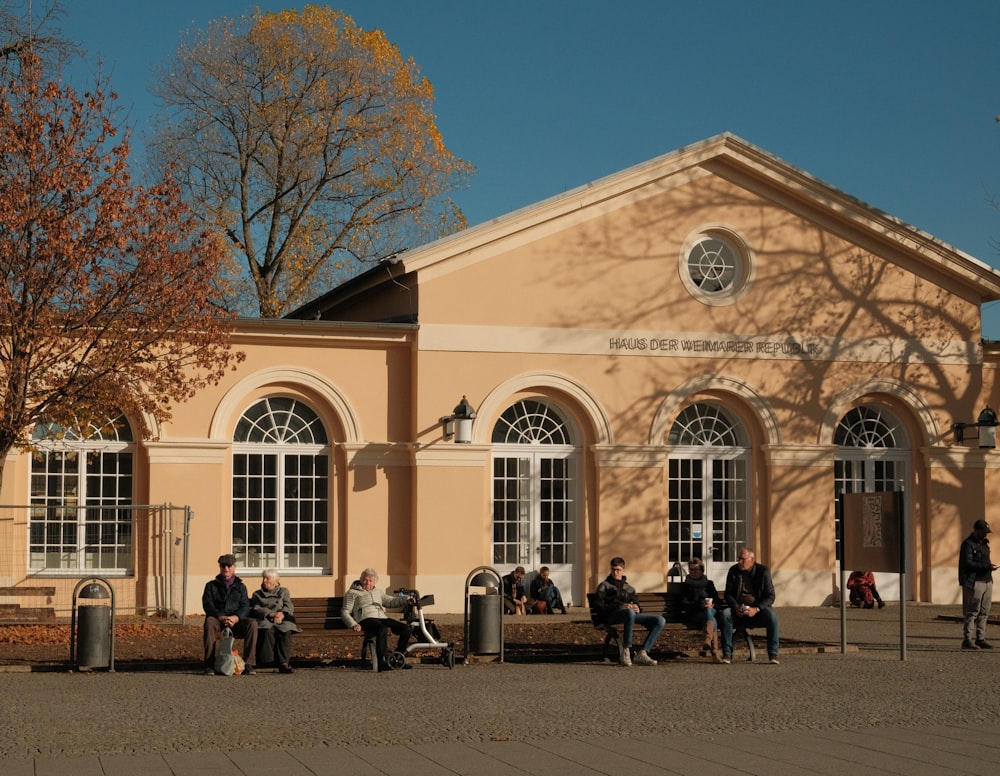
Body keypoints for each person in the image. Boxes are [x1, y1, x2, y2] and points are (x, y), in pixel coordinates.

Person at [594, 556, 665, 666]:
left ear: (623, 570)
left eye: (618, 570)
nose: (615, 572)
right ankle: (626, 650)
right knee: (629, 612)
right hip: (611, 616)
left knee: (660, 620)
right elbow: (599, 606)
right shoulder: (604, 586)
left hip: (630, 615)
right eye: (613, 569)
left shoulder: (629, 588)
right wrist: (619, 606)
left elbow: (636, 605)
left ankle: (643, 652)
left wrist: (637, 607)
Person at [341, 568, 412, 671]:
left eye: (370, 581)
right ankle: (381, 661)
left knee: (406, 629)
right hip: (365, 618)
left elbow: (390, 601)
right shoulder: (352, 593)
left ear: (375, 582)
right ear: (361, 579)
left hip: (381, 617)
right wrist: (353, 624)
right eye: (365, 580)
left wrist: (406, 599)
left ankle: (397, 659)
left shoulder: (378, 591)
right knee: (381, 628)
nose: (367, 583)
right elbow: (345, 611)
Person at [721, 547, 780, 665]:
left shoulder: (763, 571)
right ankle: (727, 654)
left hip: (757, 610)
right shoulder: (733, 571)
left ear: (752, 560)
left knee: (772, 616)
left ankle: (773, 654)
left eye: (743, 559)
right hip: (738, 610)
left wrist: (756, 609)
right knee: (725, 614)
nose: (740, 562)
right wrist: (735, 607)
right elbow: (728, 594)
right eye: (738, 559)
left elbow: (770, 596)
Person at [202, 553, 259, 675]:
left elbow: (245, 605)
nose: (226, 569)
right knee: (209, 622)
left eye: (228, 565)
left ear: (234, 567)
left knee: (252, 624)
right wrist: (220, 616)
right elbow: (208, 605)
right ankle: (209, 664)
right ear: (220, 567)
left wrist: (237, 617)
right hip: (218, 619)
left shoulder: (241, 587)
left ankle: (249, 664)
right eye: (223, 566)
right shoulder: (211, 586)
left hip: (236, 620)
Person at [251, 569, 301, 673]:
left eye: (267, 578)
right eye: (263, 578)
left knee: (285, 631)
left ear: (275, 581)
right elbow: (256, 608)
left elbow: (289, 606)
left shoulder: (283, 591)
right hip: (266, 618)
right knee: (267, 630)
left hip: (282, 618)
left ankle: (284, 662)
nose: (264, 580)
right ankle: (267, 662)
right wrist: (271, 613)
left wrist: (281, 614)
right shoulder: (257, 594)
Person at [959, 519, 997, 650]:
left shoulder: (985, 544)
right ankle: (967, 639)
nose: (985, 534)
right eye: (983, 532)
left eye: (986, 532)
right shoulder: (968, 544)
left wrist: (989, 568)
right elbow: (968, 563)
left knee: (984, 611)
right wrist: (986, 566)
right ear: (976, 530)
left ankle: (980, 638)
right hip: (974, 581)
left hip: (987, 581)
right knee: (972, 611)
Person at [679, 557, 724, 663]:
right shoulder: (685, 586)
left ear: (702, 571)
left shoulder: (709, 584)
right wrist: (699, 605)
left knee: (709, 612)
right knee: (712, 619)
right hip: (695, 614)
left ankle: (708, 640)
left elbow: (717, 601)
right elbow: (683, 604)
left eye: (696, 570)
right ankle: (715, 652)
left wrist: (713, 605)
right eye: (691, 570)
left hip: (710, 611)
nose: (693, 572)